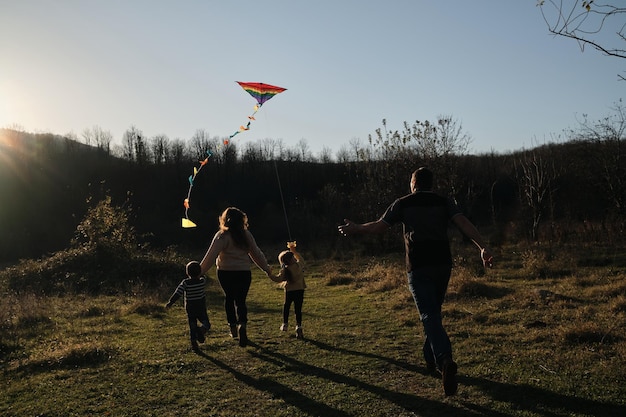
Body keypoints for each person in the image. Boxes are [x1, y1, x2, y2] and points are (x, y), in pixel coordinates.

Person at [338, 167, 493, 396]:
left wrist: (356, 229)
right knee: (433, 312)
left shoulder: (403, 203)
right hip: (442, 265)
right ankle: (430, 357)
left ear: (413, 183)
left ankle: (445, 360)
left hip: (418, 266)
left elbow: (379, 227)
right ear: (431, 183)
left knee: (429, 314)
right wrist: (482, 246)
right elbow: (463, 223)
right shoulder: (444, 201)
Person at [199, 207, 273, 347]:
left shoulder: (222, 235)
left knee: (229, 298)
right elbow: (255, 253)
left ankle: (233, 328)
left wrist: (199, 272)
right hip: (244, 272)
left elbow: (211, 255)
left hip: (225, 272)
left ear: (224, 219)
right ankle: (243, 325)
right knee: (241, 300)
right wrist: (266, 268)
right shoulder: (246, 235)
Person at [165, 261, 212, 352]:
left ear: (187, 273)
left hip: (190, 308)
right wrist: (202, 273)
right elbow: (204, 277)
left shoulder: (185, 283)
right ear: (199, 272)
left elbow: (178, 293)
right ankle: (201, 330)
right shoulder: (202, 282)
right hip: (201, 307)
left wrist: (170, 302)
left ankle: (194, 344)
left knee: (192, 325)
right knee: (206, 323)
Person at [269, 241, 306, 339]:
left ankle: (285, 324)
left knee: (286, 307)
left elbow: (277, 279)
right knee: (298, 309)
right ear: (292, 259)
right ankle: (298, 326)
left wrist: (269, 273)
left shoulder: (285, 270)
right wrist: (293, 250)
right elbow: (301, 259)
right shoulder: (299, 266)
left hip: (289, 291)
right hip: (300, 290)